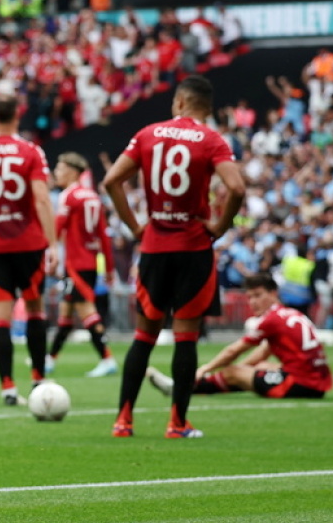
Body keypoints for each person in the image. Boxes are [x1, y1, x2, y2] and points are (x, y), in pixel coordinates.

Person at [102, 74, 245, 439]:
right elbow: (237, 187)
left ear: (179, 102)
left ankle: (123, 420)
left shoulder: (149, 134)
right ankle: (177, 423)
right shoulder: (212, 140)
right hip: (194, 247)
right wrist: (221, 226)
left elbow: (111, 181)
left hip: (154, 247)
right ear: (207, 109)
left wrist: (135, 226)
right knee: (186, 336)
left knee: (144, 335)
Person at [0, 94, 57, 406]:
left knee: (1, 318)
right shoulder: (31, 151)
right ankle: (39, 380)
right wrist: (52, 242)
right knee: (34, 310)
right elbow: (42, 198)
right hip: (29, 244)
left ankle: (7, 386)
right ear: (17, 115)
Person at [147, 273, 332, 399]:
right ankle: (191, 386)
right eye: (250, 297)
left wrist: (206, 369)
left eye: (258, 296)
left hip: (300, 384)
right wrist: (244, 369)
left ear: (273, 293)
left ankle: (180, 388)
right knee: (258, 367)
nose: (253, 302)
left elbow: (234, 350)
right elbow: (263, 352)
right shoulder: (291, 314)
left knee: (233, 372)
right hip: (318, 381)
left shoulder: (271, 320)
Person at [46, 152, 117, 378]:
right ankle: (50, 359)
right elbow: (103, 236)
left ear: (73, 172)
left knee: (87, 310)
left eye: (60, 168)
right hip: (90, 262)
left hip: (76, 263)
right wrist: (109, 268)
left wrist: (49, 251)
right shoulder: (93, 196)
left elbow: (58, 226)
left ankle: (107, 358)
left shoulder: (69, 196)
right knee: (66, 313)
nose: (57, 173)